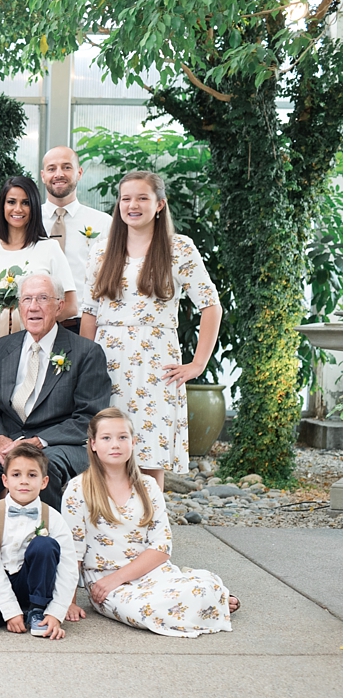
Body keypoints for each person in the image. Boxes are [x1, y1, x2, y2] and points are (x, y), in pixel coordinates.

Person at [79, 170, 220, 483]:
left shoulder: (178, 248)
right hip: (107, 360)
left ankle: (149, 525)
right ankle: (109, 526)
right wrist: (83, 365)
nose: (133, 205)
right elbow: (89, 311)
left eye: (142, 198)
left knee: (147, 450)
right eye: (126, 198)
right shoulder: (102, 250)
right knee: (106, 445)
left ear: (159, 204)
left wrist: (197, 364)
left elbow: (211, 305)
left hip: (155, 362)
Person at [60, 409, 237, 637]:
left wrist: (120, 576)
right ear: (93, 444)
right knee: (146, 611)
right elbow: (72, 551)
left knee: (200, 589)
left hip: (150, 571)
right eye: (106, 438)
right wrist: (69, 601)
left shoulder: (148, 486)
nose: (115, 444)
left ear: (133, 442)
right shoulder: (78, 489)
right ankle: (212, 601)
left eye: (122, 437)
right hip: (105, 582)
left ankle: (208, 593)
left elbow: (162, 547)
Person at [0, 273, 108, 508]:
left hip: (58, 444)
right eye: (27, 299)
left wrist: (39, 441)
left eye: (42, 298)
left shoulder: (86, 353)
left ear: (59, 306)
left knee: (39, 474)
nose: (33, 307)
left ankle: (45, 539)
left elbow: (89, 418)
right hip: (8, 441)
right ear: (19, 306)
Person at [0, 174, 80, 388]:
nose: (17, 209)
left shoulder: (48, 249)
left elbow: (71, 306)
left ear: (34, 207)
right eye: (11, 202)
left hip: (36, 342)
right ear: (2, 206)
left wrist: (31, 317)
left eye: (25, 203)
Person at [0, 444, 76, 638]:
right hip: (0, 576)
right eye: (16, 475)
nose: (24, 481)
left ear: (44, 481)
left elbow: (68, 567)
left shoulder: (54, 517)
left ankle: (38, 608)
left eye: (32, 475)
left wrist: (56, 612)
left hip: (35, 581)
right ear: (5, 480)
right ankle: (22, 612)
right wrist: (10, 611)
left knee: (44, 545)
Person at [39, 146, 115, 334]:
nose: (59, 174)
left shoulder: (103, 223)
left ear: (79, 173)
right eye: (51, 168)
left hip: (86, 324)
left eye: (66, 167)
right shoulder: (28, 219)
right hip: (35, 322)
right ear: (43, 175)